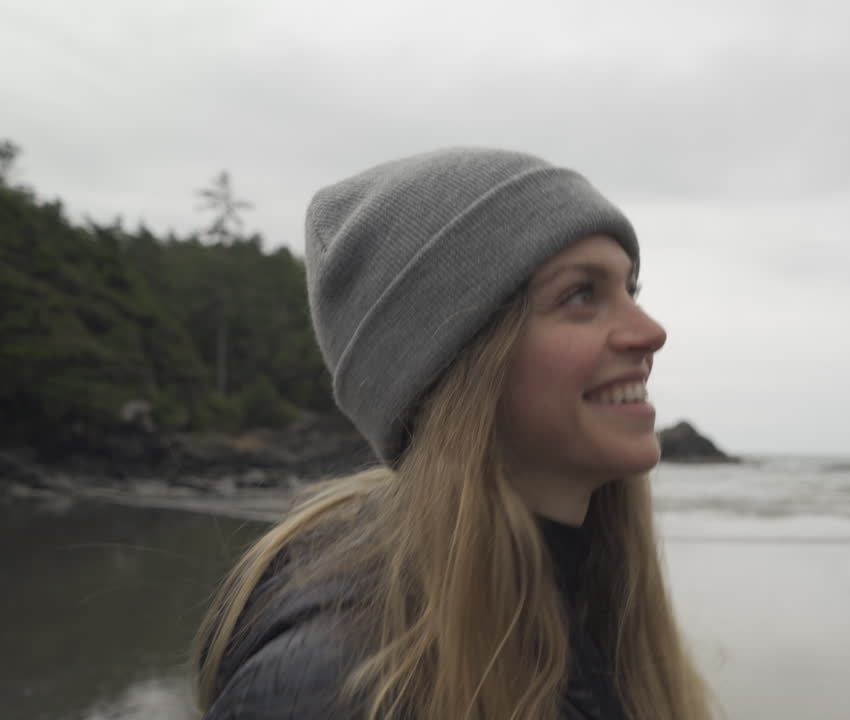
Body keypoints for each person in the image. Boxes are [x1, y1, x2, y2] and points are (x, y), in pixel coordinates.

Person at [192, 148, 717, 720]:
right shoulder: (332, 688)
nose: (650, 332)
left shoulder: (587, 607)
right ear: (457, 363)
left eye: (630, 291)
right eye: (581, 295)